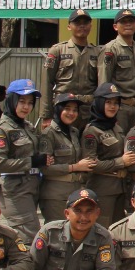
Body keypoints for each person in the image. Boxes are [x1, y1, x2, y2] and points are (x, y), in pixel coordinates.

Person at [0, 79, 50, 243]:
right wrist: (31, 162)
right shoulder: (1, 129)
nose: (26, 107)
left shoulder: (27, 126)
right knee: (28, 238)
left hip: (32, 185)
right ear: (11, 100)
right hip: (15, 188)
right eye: (22, 101)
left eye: (30, 103)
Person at [83, 82, 135, 226]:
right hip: (102, 189)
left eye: (115, 103)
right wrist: (121, 162)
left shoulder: (116, 127)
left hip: (120, 188)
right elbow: (91, 164)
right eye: (108, 102)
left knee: (118, 231)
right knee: (102, 229)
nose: (113, 106)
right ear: (100, 103)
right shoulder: (91, 131)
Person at [40, 8, 100, 126]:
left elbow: (101, 84)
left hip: (88, 111)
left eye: (85, 23)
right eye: (77, 23)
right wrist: (46, 115)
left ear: (91, 26)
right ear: (69, 27)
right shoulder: (58, 50)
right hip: (63, 109)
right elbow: (46, 82)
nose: (82, 26)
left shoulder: (97, 52)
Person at [39, 93, 92, 223]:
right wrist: (74, 167)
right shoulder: (48, 134)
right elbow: (45, 168)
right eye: (67, 109)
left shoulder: (74, 132)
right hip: (55, 195)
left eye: (75, 110)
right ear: (58, 109)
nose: (71, 113)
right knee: (57, 234)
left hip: (74, 191)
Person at [99, 8, 135, 133]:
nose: (128, 24)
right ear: (115, 26)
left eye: (131, 21)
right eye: (124, 22)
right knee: (118, 144)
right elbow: (104, 83)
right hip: (119, 108)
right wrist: (106, 111)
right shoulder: (111, 49)